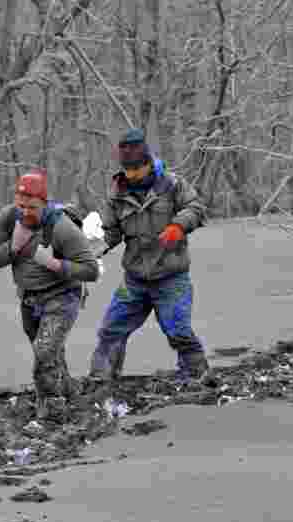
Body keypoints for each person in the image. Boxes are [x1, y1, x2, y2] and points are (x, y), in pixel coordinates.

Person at [89, 128, 210, 385]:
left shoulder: (172, 184)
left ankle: (197, 376)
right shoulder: (117, 194)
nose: (131, 176)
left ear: (147, 163)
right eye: (127, 171)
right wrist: (92, 252)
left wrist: (178, 226)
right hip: (134, 280)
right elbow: (111, 233)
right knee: (111, 330)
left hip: (171, 276)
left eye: (136, 171)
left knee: (178, 330)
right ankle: (101, 378)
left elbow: (197, 208)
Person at [0, 170, 101, 419]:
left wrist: (56, 265)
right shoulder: (9, 217)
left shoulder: (62, 228)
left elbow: (91, 270)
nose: (26, 212)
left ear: (45, 203)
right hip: (29, 298)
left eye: (32, 208)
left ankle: (52, 412)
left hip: (62, 295)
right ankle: (70, 391)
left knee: (44, 351)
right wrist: (13, 247)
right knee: (51, 354)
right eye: (21, 206)